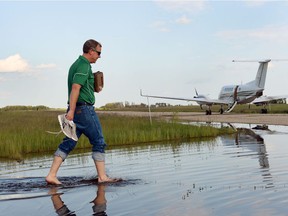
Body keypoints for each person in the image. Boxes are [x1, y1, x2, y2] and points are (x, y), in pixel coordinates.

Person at [46, 39, 120, 185]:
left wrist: (94, 87)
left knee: (68, 143)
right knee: (99, 141)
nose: (99, 56)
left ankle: (51, 175)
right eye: (98, 53)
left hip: (76, 109)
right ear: (91, 51)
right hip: (83, 109)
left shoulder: (77, 65)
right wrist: (72, 111)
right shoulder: (84, 66)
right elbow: (75, 88)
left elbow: (81, 87)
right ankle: (102, 177)